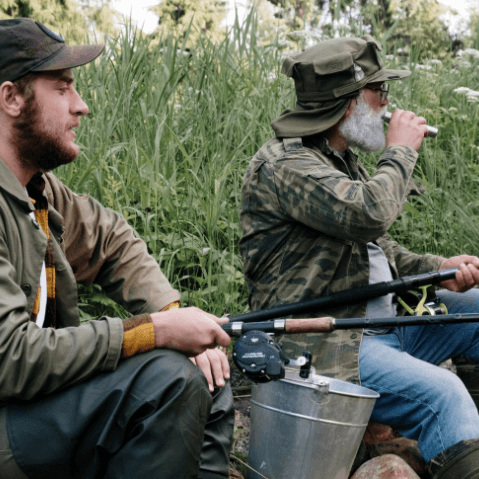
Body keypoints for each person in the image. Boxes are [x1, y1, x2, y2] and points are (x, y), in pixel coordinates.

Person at [0, 18, 234, 479]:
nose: (81, 106)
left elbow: (110, 238)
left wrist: (172, 314)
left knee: (209, 376)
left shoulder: (35, 190)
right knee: (168, 382)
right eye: (63, 88)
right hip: (9, 415)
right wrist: (156, 330)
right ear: (11, 98)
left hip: (30, 407)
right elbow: (11, 358)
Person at [240, 35, 479, 478]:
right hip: (332, 343)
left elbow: (375, 248)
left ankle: (464, 443)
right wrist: (402, 149)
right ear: (348, 102)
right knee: (445, 394)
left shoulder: (340, 159)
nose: (388, 102)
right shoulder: (286, 165)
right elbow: (370, 214)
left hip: (381, 326)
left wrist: (435, 269)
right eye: (380, 91)